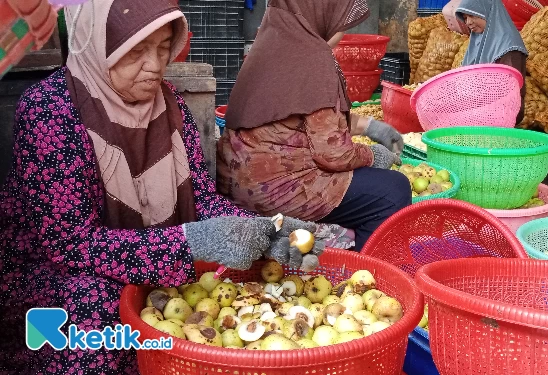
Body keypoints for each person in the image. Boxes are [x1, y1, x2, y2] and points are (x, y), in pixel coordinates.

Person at [0, 0, 329, 373]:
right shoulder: (50, 111)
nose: (155, 65)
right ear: (97, 45)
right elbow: (70, 244)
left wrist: (268, 230)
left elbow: (201, 198)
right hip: (58, 276)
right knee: (93, 302)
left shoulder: (170, 104)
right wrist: (191, 242)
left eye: (162, 48)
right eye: (136, 50)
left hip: (148, 259)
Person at [217, 0, 413, 252]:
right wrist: (373, 155)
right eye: (341, 22)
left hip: (236, 180)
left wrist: (369, 127)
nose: (343, 33)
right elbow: (334, 155)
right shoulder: (313, 57)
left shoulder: (270, 42)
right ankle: (364, 271)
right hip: (276, 190)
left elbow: (296, 119)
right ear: (321, 14)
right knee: (392, 190)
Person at [456, 0, 529, 124]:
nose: (468, 22)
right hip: (478, 111)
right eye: (465, 17)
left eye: (472, 15)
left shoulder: (508, 45)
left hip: (500, 115)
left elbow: (507, 92)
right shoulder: (479, 39)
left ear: (488, 11)